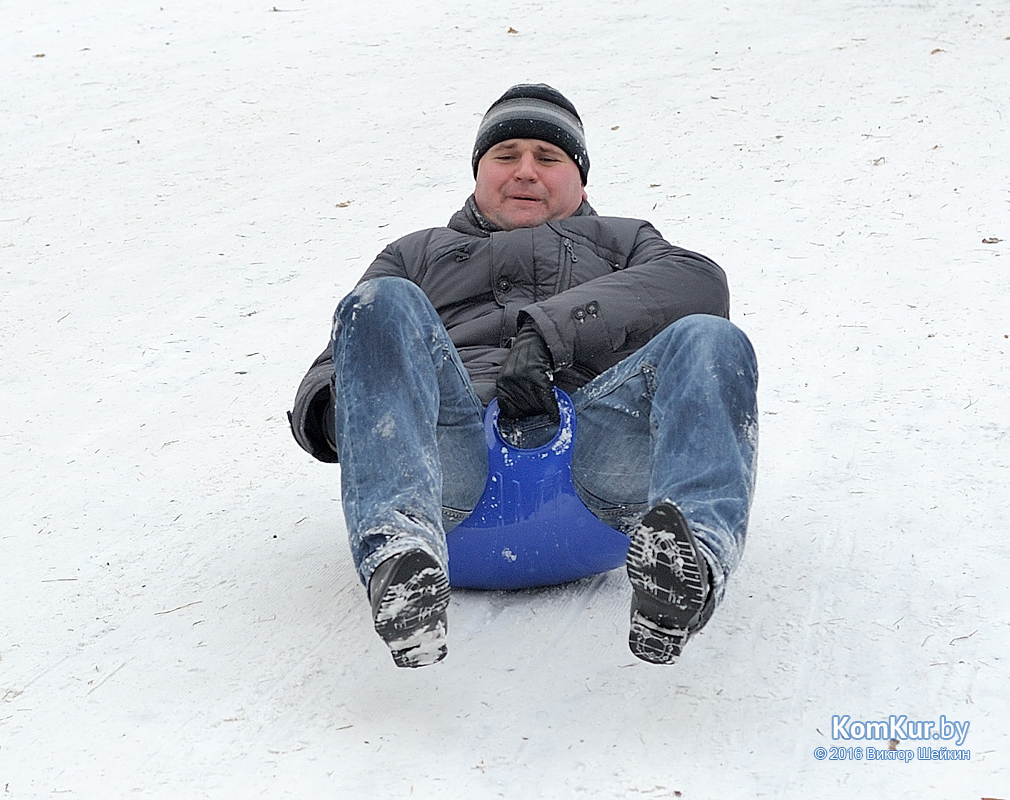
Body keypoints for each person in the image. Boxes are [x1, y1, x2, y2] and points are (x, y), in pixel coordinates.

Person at [289, 84, 759, 668]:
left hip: (598, 461)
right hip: (446, 469)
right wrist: (363, 418)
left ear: (580, 179)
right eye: (506, 156)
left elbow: (702, 285)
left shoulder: (626, 241)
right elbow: (331, 370)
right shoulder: (415, 254)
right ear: (479, 173)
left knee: (712, 340)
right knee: (377, 303)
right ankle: (400, 562)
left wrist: (550, 334)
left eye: (549, 157)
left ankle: (692, 569)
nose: (526, 172)